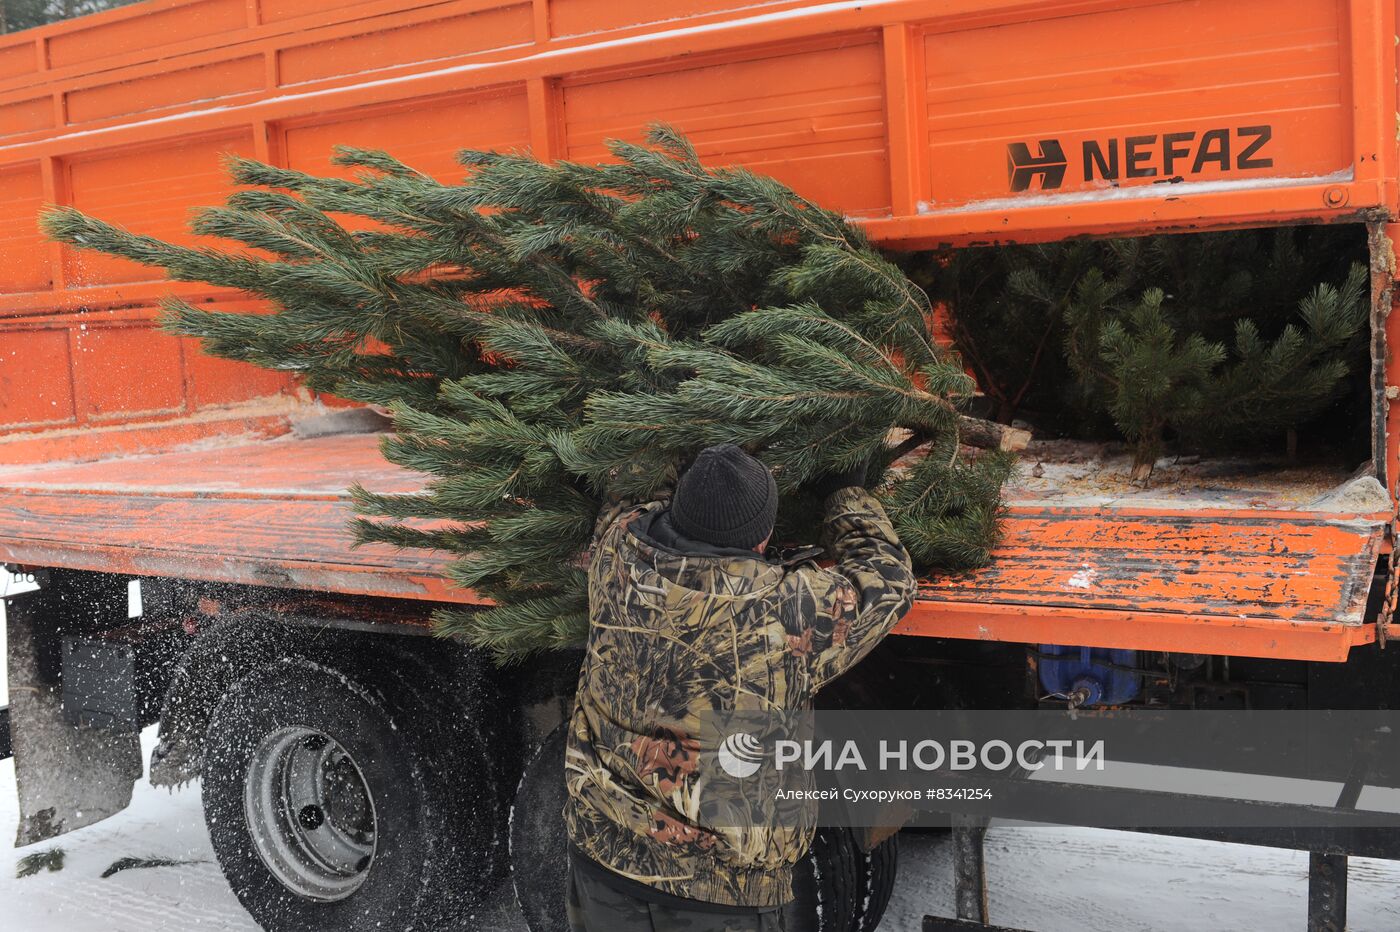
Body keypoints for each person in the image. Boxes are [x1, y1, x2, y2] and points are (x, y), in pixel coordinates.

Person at [563, 443, 916, 931]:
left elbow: (629, 489)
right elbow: (888, 582)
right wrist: (844, 494)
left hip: (600, 859)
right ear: (764, 537)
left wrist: (686, 441)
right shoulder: (788, 606)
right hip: (716, 891)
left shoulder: (615, 552)